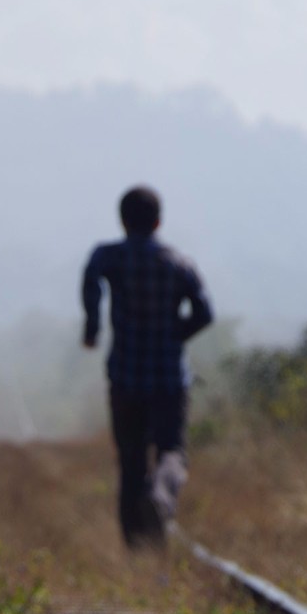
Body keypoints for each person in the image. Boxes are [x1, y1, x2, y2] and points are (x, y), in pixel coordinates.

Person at [82, 185, 213, 546]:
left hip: (125, 377)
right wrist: (175, 336)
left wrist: (92, 326)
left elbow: (91, 277)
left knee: (130, 460)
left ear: (122, 221)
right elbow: (205, 312)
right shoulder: (178, 264)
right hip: (170, 380)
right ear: (158, 221)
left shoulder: (110, 257)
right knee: (171, 450)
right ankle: (161, 496)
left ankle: (136, 550)